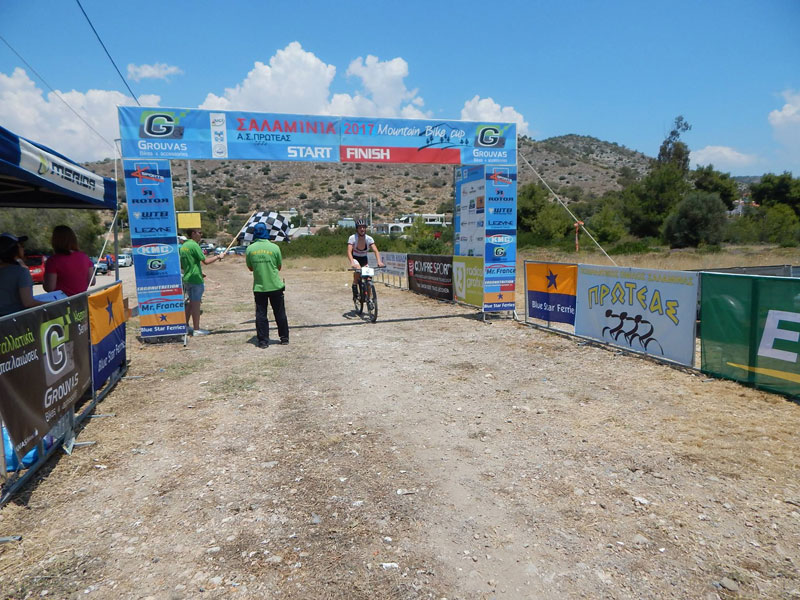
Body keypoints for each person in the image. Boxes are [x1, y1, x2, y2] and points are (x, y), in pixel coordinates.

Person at [245, 222, 289, 348]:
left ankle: (263, 341)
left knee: (261, 314)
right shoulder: (274, 248)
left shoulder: (250, 249)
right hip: (275, 285)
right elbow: (279, 266)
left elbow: (250, 268)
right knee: (279, 312)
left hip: (260, 287)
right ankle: (284, 338)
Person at [179, 228, 222, 336]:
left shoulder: (183, 246)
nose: (201, 234)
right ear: (193, 233)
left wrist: (197, 271)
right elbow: (206, 261)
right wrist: (218, 256)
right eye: (199, 232)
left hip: (187, 278)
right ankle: (197, 329)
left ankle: (185, 325)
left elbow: (183, 265)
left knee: (190, 302)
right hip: (195, 279)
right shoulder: (194, 245)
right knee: (196, 304)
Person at [0, 233, 45, 317]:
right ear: (14, 250)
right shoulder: (21, 272)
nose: (23, 248)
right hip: (15, 320)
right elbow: (28, 303)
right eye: (21, 245)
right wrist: (53, 304)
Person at [43, 225, 95, 296]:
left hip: (63, 301)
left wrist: (44, 281)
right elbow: (92, 282)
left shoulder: (53, 261)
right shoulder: (85, 257)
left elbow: (50, 288)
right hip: (82, 299)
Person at [347, 218, 384, 301]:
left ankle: (369, 298)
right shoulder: (352, 238)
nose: (362, 229)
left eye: (363, 227)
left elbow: (375, 251)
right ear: (357, 229)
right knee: (358, 269)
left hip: (364, 259)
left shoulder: (369, 239)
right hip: (355, 258)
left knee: (368, 278)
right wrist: (352, 262)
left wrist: (379, 261)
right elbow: (349, 251)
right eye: (360, 227)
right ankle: (355, 285)